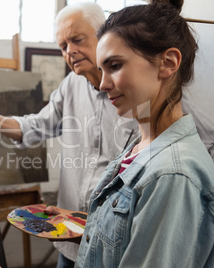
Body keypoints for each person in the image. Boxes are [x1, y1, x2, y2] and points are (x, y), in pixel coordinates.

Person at [0, 1, 214, 267]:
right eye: (63, 46)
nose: (70, 51)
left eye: (77, 39)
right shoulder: (87, 97)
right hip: (83, 240)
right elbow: (36, 125)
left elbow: (183, 175)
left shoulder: (166, 153)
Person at [76, 1, 214, 267]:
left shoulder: (173, 175)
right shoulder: (141, 146)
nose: (103, 84)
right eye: (102, 69)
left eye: (114, 66)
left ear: (168, 62)